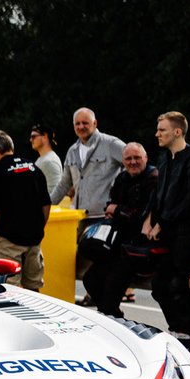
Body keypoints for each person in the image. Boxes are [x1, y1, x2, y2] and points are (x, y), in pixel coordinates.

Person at [142, 112, 190, 354]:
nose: (157, 134)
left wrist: (162, 223)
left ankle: (186, 335)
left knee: (179, 284)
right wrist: (148, 219)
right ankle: (176, 329)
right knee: (159, 285)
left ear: (177, 132)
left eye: (162, 130)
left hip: (185, 232)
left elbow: (189, 199)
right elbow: (158, 195)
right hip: (165, 233)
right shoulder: (165, 160)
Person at [50, 107, 127, 296]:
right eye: (77, 124)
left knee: (100, 260)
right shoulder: (73, 151)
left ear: (95, 123)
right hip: (81, 217)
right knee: (78, 261)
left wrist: (120, 199)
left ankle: (101, 298)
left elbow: (134, 164)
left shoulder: (111, 144)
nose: (81, 126)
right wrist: (45, 206)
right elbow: (64, 184)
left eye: (85, 123)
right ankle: (93, 295)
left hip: (104, 217)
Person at [88, 143, 160, 318]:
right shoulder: (122, 178)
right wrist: (115, 210)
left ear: (146, 158)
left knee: (110, 289)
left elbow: (142, 215)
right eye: (128, 158)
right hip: (117, 244)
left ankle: (111, 318)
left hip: (138, 249)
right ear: (123, 161)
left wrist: (117, 210)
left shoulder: (153, 178)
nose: (133, 162)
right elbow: (111, 204)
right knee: (90, 279)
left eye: (137, 158)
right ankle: (113, 316)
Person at [0, 131, 52, 291]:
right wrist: (39, 228)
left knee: (7, 287)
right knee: (33, 287)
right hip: (33, 239)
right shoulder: (33, 168)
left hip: (7, 240)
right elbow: (46, 204)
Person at [29, 124, 62, 198]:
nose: (31, 140)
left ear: (45, 137)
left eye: (34, 136)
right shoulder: (42, 159)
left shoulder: (49, 161)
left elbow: (55, 194)